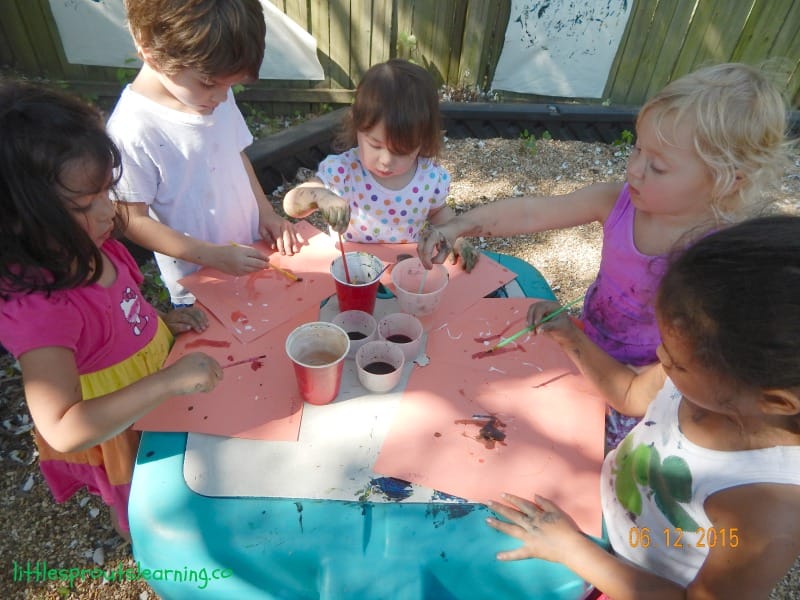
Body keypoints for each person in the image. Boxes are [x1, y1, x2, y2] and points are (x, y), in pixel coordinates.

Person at [417, 62, 791, 449]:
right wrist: (456, 226)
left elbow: (639, 394)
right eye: (637, 148)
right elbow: (533, 211)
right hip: (586, 340)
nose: (634, 169)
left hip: (647, 394)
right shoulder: (621, 201)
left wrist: (574, 343)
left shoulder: (719, 266)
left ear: (728, 179)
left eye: (658, 166)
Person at [486, 215, 800, 598]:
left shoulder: (765, 512)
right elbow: (632, 393)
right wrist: (572, 340)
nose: (659, 357)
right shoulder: (708, 378)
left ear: (776, 401)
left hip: (626, 578)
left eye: (678, 362)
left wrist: (573, 550)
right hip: (593, 511)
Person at [0, 81, 223, 539]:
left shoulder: (91, 244)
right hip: (120, 425)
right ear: (18, 217)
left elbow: (122, 307)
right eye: (86, 204)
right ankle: (153, 551)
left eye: (107, 190)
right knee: (146, 501)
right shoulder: (40, 310)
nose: (109, 212)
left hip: (155, 385)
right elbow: (62, 427)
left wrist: (157, 322)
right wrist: (167, 381)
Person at [107, 0, 302, 306]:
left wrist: (266, 212)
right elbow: (132, 220)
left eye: (231, 85)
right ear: (149, 47)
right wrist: (213, 256)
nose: (223, 97)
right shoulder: (131, 129)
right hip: (200, 285)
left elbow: (235, 154)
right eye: (209, 83)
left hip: (248, 254)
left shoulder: (213, 96)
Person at [282, 59, 477, 265]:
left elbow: (438, 213)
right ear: (357, 127)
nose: (386, 161)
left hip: (404, 268)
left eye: (401, 151)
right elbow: (291, 205)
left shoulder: (429, 178)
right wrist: (318, 195)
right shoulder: (343, 170)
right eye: (375, 145)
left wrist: (456, 237)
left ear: (423, 141)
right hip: (351, 268)